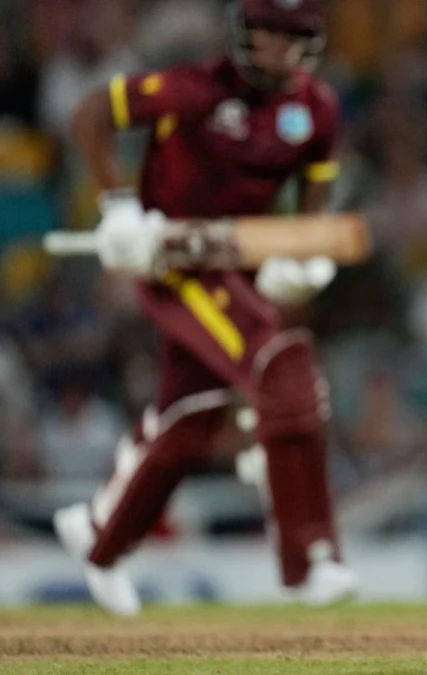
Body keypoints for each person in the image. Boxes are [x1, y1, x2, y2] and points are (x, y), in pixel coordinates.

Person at [51, 0, 356, 616]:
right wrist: (119, 205)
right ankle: (310, 557)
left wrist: (304, 254)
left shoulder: (316, 109)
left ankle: (101, 535)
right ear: (242, 33)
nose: (279, 48)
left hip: (241, 272)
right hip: (173, 265)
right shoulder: (191, 89)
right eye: (268, 32)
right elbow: (89, 114)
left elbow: (315, 198)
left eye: (293, 36)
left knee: (191, 421)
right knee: (283, 368)